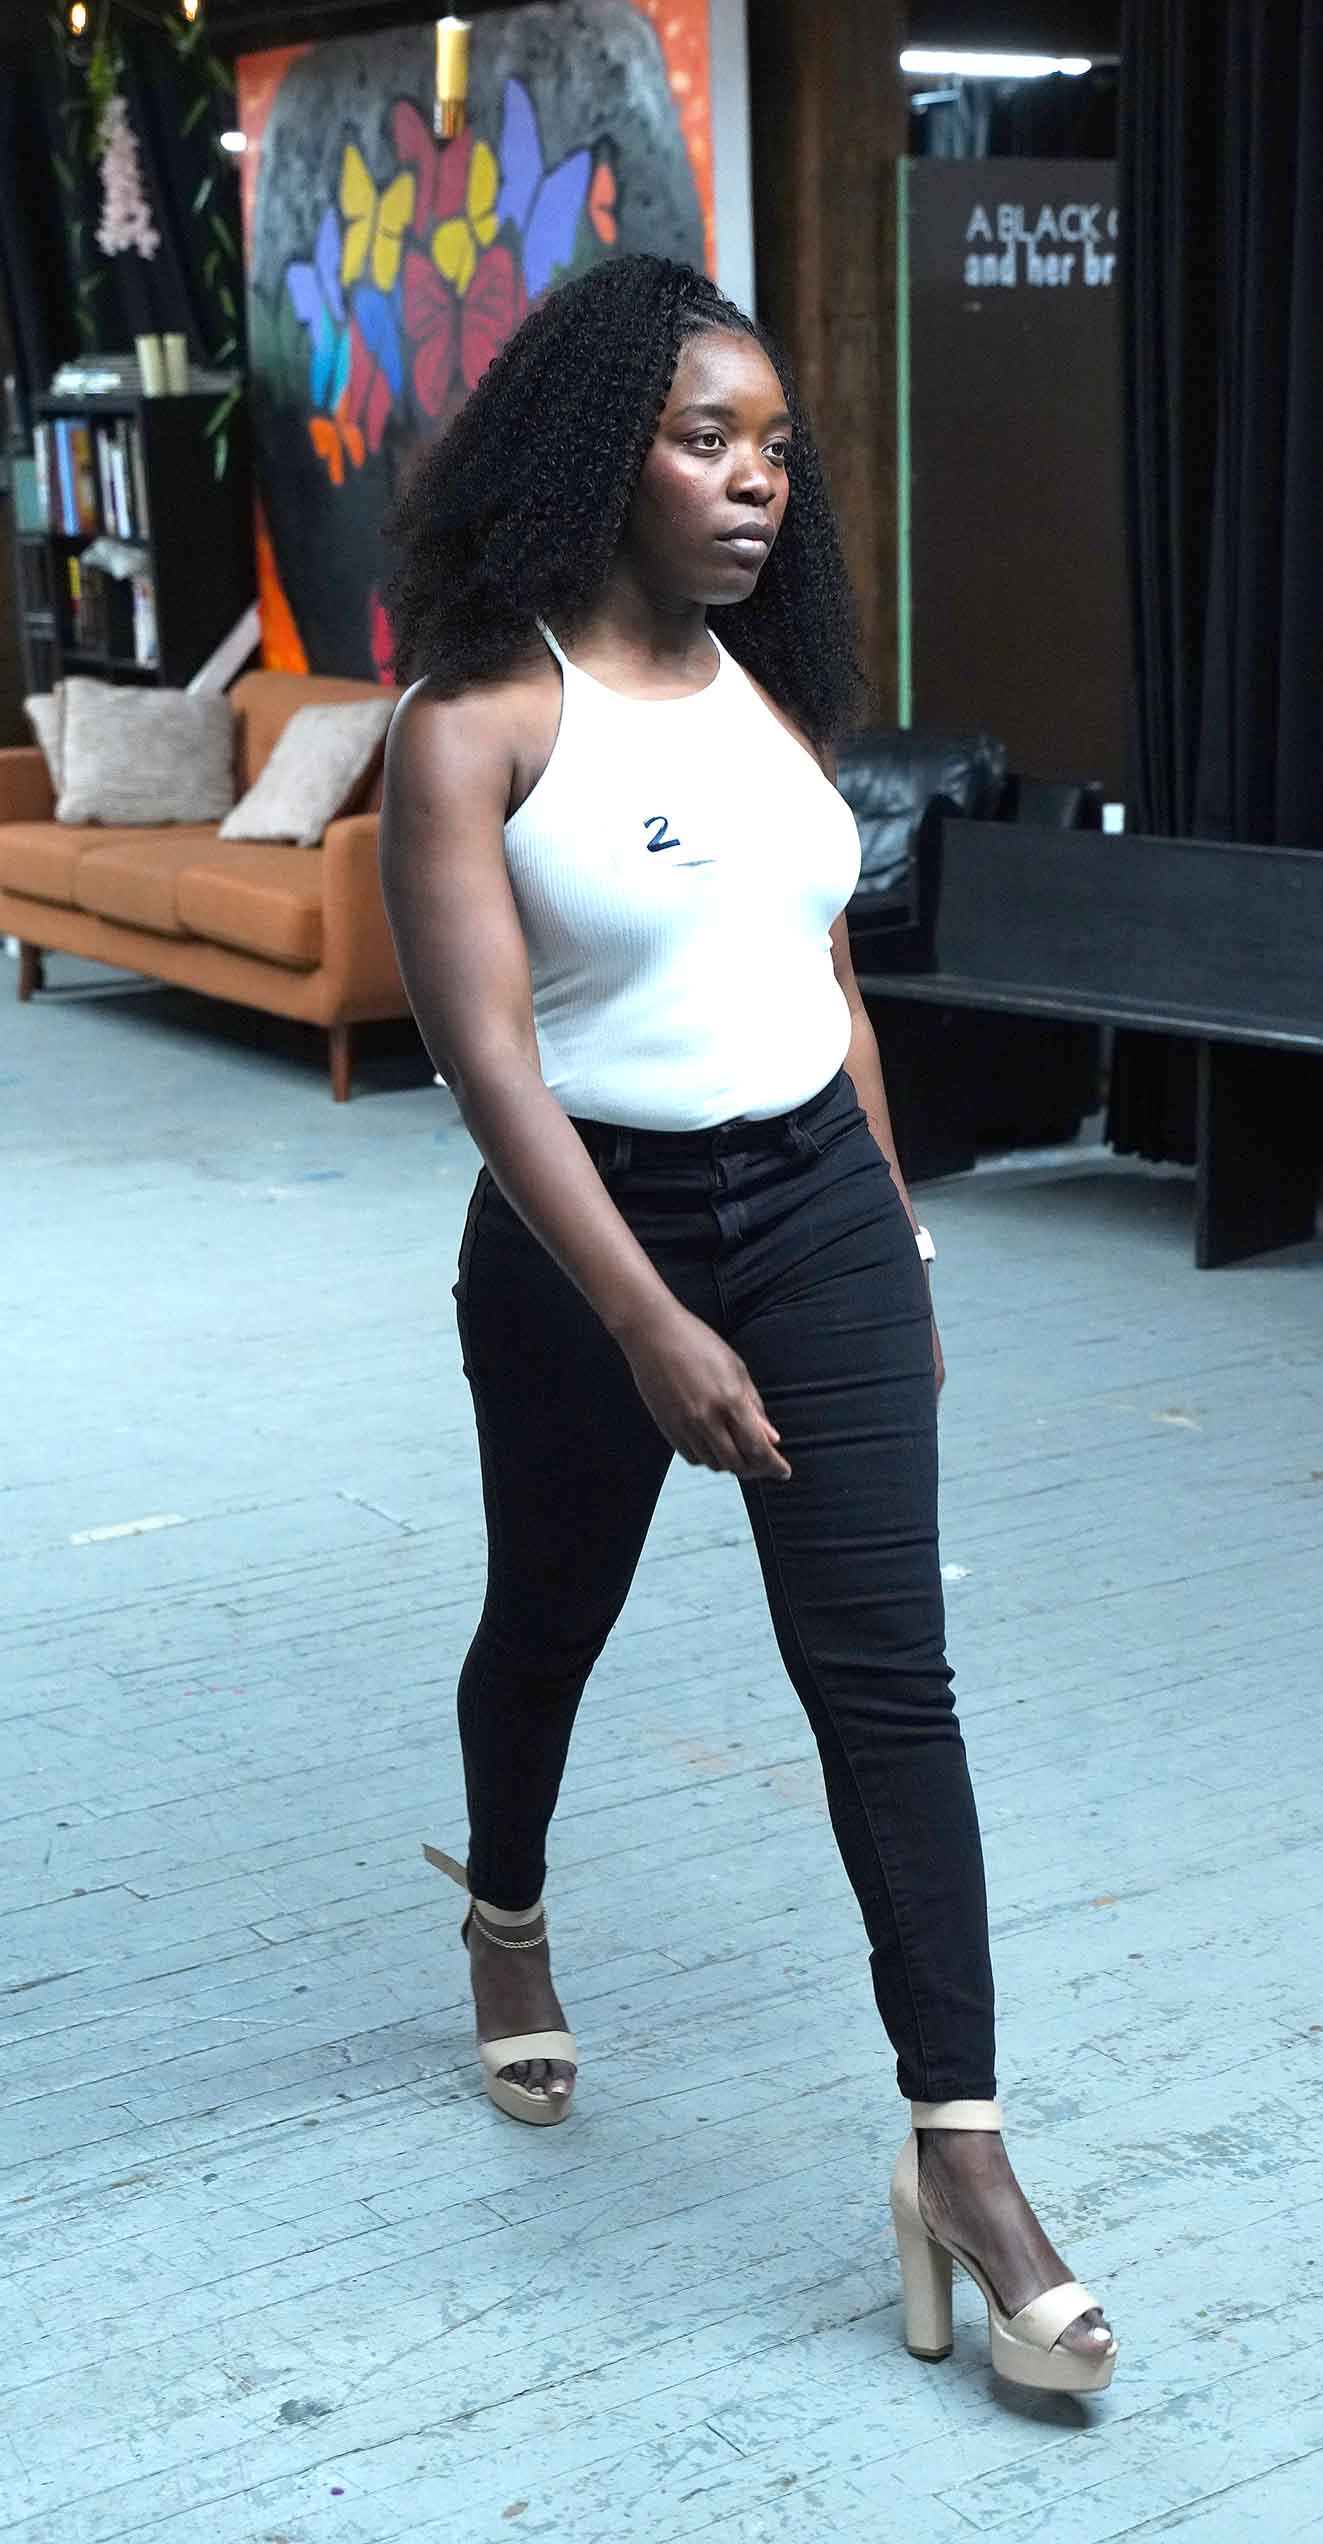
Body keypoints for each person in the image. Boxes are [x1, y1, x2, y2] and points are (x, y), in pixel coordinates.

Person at [377, 253, 1116, 2397]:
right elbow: (490, 1067)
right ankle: (507, 1911)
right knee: (551, 1622)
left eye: (776, 445)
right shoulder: (477, 721)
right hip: (581, 1241)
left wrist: (897, 1239)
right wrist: (641, 1320)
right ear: (597, 453)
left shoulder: (775, 693)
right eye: (708, 439)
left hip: (814, 1212)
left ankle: (963, 2159)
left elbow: (829, 983)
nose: (758, 480)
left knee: (889, 1681)